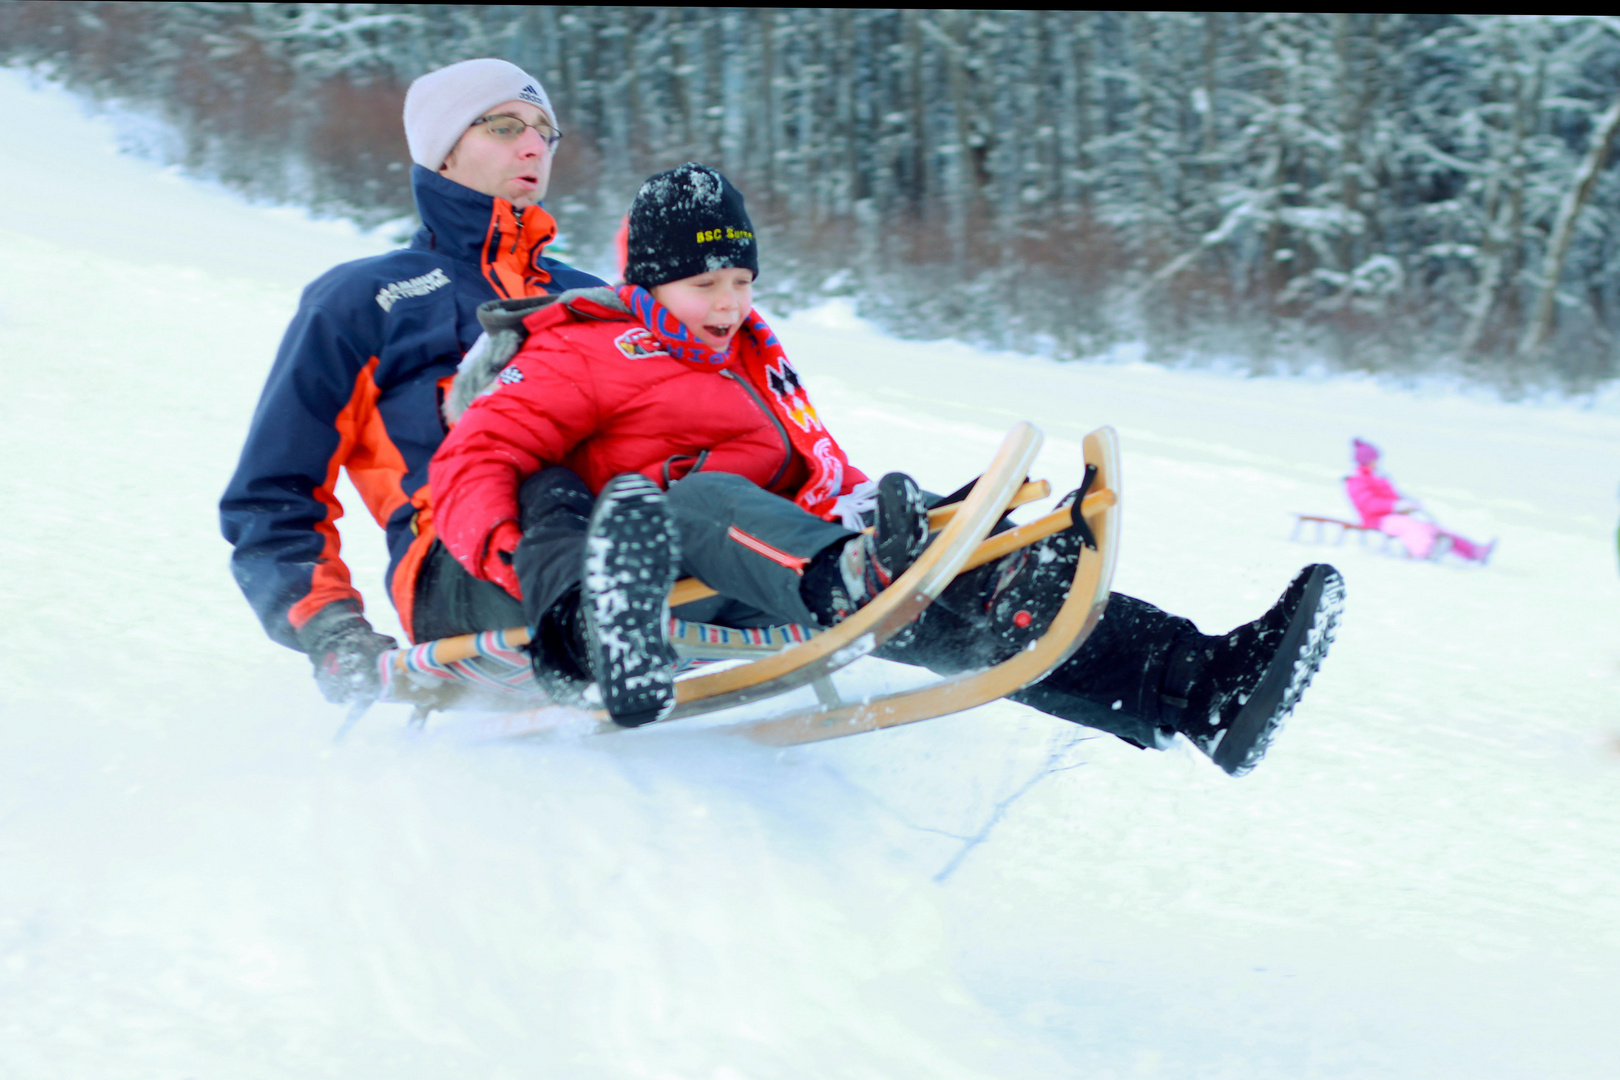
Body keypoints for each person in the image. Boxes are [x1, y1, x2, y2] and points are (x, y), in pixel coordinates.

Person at [427, 162, 1346, 776]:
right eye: (705, 285)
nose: (729, 302)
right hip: (636, 583)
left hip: (764, 566)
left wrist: (922, 527)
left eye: (742, 282)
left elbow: (818, 476)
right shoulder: (590, 350)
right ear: (647, 282)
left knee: (976, 589)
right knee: (705, 498)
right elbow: (477, 457)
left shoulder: (750, 352)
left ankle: (1200, 686)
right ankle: (853, 579)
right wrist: (533, 573)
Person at [220, 59, 606, 707]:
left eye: (546, 132)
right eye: (506, 126)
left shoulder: (593, 299)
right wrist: (332, 628)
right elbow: (273, 496)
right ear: (443, 151)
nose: (535, 145)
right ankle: (607, 611)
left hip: (616, 532)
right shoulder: (364, 300)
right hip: (459, 571)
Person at [1345, 439, 1494, 563]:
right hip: (1376, 520)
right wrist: (1395, 506)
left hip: (1393, 514)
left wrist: (1407, 503)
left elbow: (1394, 496)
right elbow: (1368, 504)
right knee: (1410, 526)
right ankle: (1424, 552)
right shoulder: (1357, 481)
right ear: (1366, 461)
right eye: (1374, 459)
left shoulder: (1379, 477)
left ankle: (1473, 551)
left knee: (1431, 526)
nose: (1377, 462)